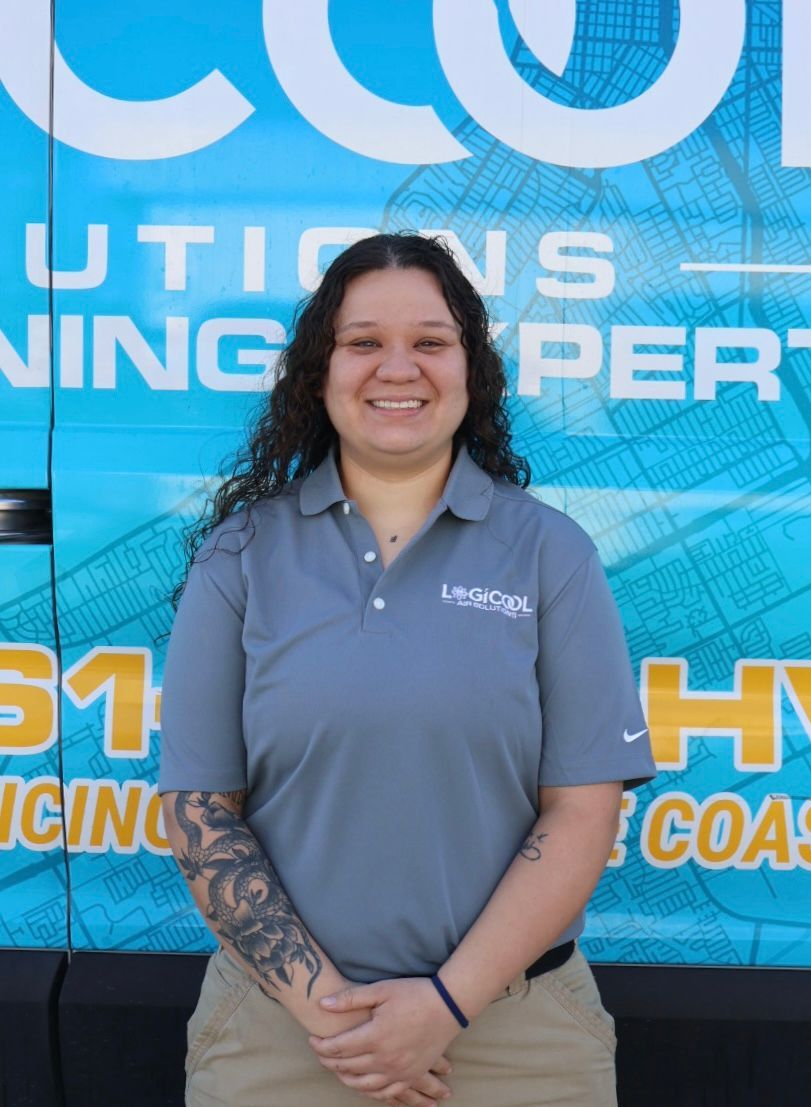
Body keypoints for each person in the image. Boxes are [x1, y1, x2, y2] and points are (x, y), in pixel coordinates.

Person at [158, 231, 656, 1107]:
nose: (398, 367)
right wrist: (339, 1020)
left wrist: (442, 1006)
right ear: (319, 372)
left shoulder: (550, 553)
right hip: (281, 1035)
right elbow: (200, 811)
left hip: (517, 1038)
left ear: (470, 371)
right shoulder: (239, 556)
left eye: (430, 340)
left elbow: (582, 810)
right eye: (363, 342)